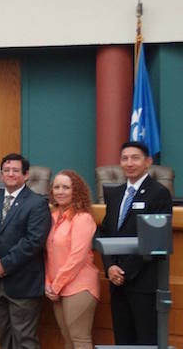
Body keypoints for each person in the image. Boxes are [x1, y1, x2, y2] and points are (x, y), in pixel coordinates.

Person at [97, 141, 172, 345]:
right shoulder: (115, 194)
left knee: (145, 340)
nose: (129, 163)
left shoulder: (159, 193)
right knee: (123, 339)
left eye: (135, 158)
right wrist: (110, 266)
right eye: (125, 158)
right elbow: (105, 232)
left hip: (143, 282)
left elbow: (156, 241)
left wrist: (124, 272)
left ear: (147, 162)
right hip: (116, 281)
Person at [0, 153, 51, 349]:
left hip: (23, 283)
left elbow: (33, 241)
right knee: (4, 338)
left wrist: (4, 264)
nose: (10, 174)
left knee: (25, 340)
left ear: (26, 175)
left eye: (15, 170)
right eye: (6, 170)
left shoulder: (38, 203)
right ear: (1, 174)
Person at [45, 170, 100, 349]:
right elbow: (47, 254)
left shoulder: (83, 218)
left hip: (79, 287)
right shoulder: (52, 217)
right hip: (56, 288)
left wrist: (56, 285)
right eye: (56, 187)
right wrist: (48, 283)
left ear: (76, 190)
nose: (60, 191)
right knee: (67, 340)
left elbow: (77, 257)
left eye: (66, 187)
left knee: (80, 339)